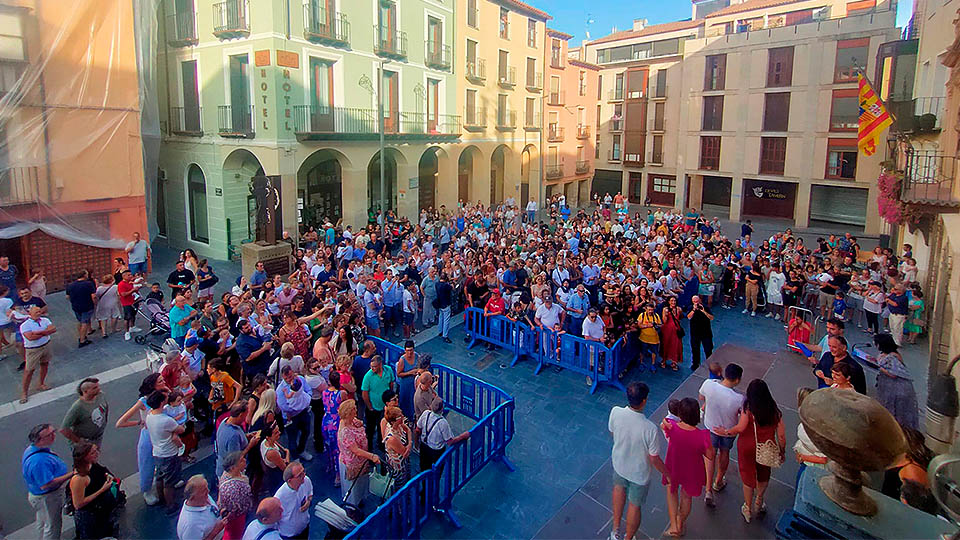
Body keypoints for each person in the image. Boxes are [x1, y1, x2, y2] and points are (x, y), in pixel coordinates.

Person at [608, 382, 668, 540]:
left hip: (619, 464)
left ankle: (615, 531)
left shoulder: (615, 412)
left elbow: (612, 433)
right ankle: (629, 538)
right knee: (635, 505)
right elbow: (654, 459)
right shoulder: (650, 429)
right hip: (639, 474)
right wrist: (667, 473)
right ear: (644, 401)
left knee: (618, 490)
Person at [720, 379, 785, 523]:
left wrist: (726, 431)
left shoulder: (748, 407)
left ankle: (747, 508)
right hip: (766, 447)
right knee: (763, 474)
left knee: (747, 476)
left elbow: (741, 428)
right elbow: (781, 435)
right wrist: (782, 451)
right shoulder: (773, 409)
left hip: (747, 447)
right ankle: (759, 501)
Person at [660, 398, 714, 537]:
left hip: (674, 465)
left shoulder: (672, 427)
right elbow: (711, 455)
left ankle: (674, 525)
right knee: (686, 497)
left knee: (671, 491)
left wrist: (668, 422)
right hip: (692, 470)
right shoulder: (702, 436)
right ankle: (680, 521)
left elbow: (663, 423)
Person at [115, 373, 168, 506]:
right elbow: (120, 422)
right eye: (160, 381)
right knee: (147, 464)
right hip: (149, 435)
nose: (164, 382)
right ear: (153, 385)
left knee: (165, 459)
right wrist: (139, 422)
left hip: (162, 433)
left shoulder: (164, 393)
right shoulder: (144, 401)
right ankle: (147, 491)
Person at [699, 363, 744, 506]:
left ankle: (707, 490)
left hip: (710, 426)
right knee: (725, 453)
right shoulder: (739, 399)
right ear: (737, 380)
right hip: (728, 431)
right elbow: (741, 414)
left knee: (709, 457)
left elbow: (701, 397)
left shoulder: (708, 384)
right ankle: (718, 481)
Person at [22, 423, 74, 540]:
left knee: (42, 521)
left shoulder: (32, 450)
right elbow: (46, 484)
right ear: (40, 440)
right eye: (49, 434)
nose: (53, 435)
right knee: (53, 526)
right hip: (47, 497)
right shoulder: (39, 461)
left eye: (53, 432)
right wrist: (71, 474)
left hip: (37, 497)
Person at [68, 442, 121, 539]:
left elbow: (102, 474)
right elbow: (78, 504)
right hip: (90, 515)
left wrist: (108, 477)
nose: (97, 453)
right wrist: (102, 490)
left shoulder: (93, 464)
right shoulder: (79, 478)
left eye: (96, 450)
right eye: (92, 453)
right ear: (84, 457)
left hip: (102, 509)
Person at [145, 390, 185, 512]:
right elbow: (180, 429)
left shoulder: (150, 415)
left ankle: (161, 498)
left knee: (159, 477)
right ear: (162, 402)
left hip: (157, 452)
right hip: (169, 453)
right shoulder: (166, 420)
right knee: (170, 481)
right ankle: (170, 505)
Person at [337, 399, 380, 507]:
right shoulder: (345, 431)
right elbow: (356, 450)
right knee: (353, 487)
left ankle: (360, 499)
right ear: (348, 413)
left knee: (361, 483)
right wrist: (372, 456)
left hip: (361, 462)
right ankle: (352, 507)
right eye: (354, 410)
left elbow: (359, 423)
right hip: (352, 463)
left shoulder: (351, 421)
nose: (356, 412)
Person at [874, 333, 919, 429]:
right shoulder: (884, 354)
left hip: (897, 390)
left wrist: (880, 368)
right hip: (887, 387)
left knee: (898, 413)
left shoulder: (892, 356)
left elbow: (893, 373)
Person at [416, 396, 469, 471]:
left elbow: (417, 429)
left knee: (424, 467)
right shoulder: (443, 423)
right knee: (437, 470)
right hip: (436, 451)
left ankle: (425, 482)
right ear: (442, 409)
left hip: (424, 446)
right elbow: (450, 441)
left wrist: (416, 444)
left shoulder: (425, 414)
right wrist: (462, 436)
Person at [20, 306, 56, 403]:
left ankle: (41, 383)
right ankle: (24, 392)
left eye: (39, 311)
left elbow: (53, 329)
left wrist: (39, 332)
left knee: (45, 364)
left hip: (46, 345)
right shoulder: (25, 325)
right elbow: (30, 337)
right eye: (36, 312)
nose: (39, 313)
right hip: (33, 350)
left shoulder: (45, 320)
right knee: (29, 371)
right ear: (30, 314)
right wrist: (46, 332)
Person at [60, 377, 109, 449]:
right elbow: (64, 429)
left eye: (98, 386)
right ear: (85, 391)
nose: (99, 389)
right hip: (84, 442)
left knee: (95, 456)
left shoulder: (100, 395)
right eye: (95, 388)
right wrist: (80, 442)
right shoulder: (78, 407)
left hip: (97, 437)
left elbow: (105, 407)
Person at [277, 366, 313, 462]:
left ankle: (301, 450)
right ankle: (295, 458)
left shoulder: (300, 379)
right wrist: (296, 408)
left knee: (306, 432)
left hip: (303, 412)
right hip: (291, 416)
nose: (289, 380)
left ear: (292, 372)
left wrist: (305, 401)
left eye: (290, 376)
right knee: (292, 438)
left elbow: (308, 390)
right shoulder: (280, 389)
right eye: (286, 378)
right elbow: (283, 405)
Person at [361, 355, 396, 450]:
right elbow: (364, 393)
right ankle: (370, 447)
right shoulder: (368, 376)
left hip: (385, 407)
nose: (372, 369)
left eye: (374, 366)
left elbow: (391, 384)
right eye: (371, 366)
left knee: (383, 427)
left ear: (380, 365)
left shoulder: (388, 370)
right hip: (373, 408)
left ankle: (381, 444)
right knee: (370, 429)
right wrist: (370, 407)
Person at [216, 404, 261, 477]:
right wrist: (250, 445)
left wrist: (246, 436)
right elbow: (236, 459)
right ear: (240, 415)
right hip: (231, 474)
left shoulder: (224, 422)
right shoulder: (233, 435)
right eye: (245, 415)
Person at [177, 475, 226, 540]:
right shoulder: (191, 525)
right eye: (204, 491)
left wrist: (219, 512)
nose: (208, 491)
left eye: (207, 487)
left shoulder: (204, 497)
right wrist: (216, 531)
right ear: (192, 497)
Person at [218, 451, 253, 540]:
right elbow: (234, 510)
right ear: (233, 468)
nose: (245, 460)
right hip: (236, 517)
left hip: (242, 511)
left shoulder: (235, 474)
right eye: (241, 460)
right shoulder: (232, 489)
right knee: (235, 535)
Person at [274, 462, 313, 539]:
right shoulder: (279, 497)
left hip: (304, 527)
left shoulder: (306, 480)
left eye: (303, 472)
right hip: (289, 534)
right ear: (290, 480)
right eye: (300, 475)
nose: (304, 476)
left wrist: (308, 502)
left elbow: (310, 494)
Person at [321, 371, 345, 485]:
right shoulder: (341, 394)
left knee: (328, 446)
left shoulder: (324, 392)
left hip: (326, 421)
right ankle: (338, 475)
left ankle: (330, 466)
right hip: (336, 422)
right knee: (337, 449)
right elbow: (344, 407)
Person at [383, 406, 413, 487]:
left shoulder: (399, 426)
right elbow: (405, 452)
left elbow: (408, 430)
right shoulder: (392, 438)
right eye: (400, 416)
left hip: (404, 462)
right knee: (400, 487)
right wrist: (410, 443)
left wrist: (409, 442)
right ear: (393, 421)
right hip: (398, 467)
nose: (403, 417)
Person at [65, 270, 96, 348]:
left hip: (76, 306)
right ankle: (82, 340)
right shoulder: (88, 284)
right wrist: (95, 303)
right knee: (84, 322)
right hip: (87, 306)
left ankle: (82, 335)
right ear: (85, 275)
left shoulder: (70, 285)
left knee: (80, 321)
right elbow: (93, 296)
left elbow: (67, 297)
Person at [396, 340, 422, 421]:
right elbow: (399, 374)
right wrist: (410, 373)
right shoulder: (402, 360)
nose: (409, 353)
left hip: (414, 383)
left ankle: (413, 417)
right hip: (405, 384)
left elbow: (420, 367)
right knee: (405, 401)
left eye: (411, 350)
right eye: (407, 351)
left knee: (413, 400)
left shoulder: (417, 356)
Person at [687, 295, 714, 371]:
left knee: (708, 349)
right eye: (694, 302)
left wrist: (704, 311)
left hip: (706, 333)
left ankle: (710, 364)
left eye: (697, 301)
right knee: (695, 349)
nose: (696, 303)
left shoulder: (705, 307)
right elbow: (688, 317)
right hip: (695, 333)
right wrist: (693, 310)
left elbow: (711, 318)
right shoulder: (690, 308)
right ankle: (695, 364)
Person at [660, 296, 683, 371]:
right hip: (667, 330)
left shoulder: (679, 309)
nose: (673, 302)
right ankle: (664, 360)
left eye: (674, 300)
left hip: (676, 331)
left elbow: (680, 318)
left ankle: (674, 362)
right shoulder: (665, 309)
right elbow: (664, 321)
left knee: (676, 346)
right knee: (666, 344)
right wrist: (666, 314)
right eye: (671, 301)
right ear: (669, 302)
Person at [117, 270, 142, 340]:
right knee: (127, 317)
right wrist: (133, 290)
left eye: (131, 274)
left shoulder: (131, 283)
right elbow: (123, 294)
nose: (131, 276)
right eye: (128, 275)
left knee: (133, 315)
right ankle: (127, 332)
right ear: (124, 276)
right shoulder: (121, 284)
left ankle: (132, 327)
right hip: (127, 303)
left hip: (134, 301)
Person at [637, 304, 661, 372]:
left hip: (654, 339)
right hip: (643, 338)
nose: (650, 311)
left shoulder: (656, 316)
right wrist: (648, 325)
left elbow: (660, 324)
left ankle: (653, 364)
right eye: (649, 310)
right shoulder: (642, 315)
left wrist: (656, 325)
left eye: (652, 310)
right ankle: (641, 363)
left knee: (654, 352)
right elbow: (639, 325)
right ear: (646, 309)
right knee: (642, 352)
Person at [435, 271, 454, 343]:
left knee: (441, 318)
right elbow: (452, 288)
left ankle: (440, 331)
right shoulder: (446, 285)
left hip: (440, 303)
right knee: (446, 320)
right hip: (446, 303)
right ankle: (445, 335)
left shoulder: (437, 284)